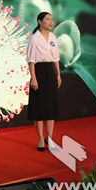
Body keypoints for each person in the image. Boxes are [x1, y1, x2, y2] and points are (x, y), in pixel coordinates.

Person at [26, 11, 62, 152]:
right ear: (40, 21)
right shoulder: (34, 38)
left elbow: (56, 58)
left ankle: (50, 138)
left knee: (51, 107)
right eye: (47, 19)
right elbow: (31, 61)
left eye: (51, 19)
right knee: (39, 108)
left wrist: (58, 75)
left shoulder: (53, 37)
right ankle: (41, 138)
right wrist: (34, 79)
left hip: (51, 72)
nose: (50, 22)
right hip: (39, 73)